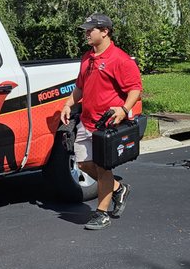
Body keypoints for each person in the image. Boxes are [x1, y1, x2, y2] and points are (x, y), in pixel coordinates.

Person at [61, 13, 142, 230]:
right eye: (86, 30)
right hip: (86, 122)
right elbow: (80, 86)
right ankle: (118, 188)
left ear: (105, 31)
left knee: (102, 167)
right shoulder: (87, 57)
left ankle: (101, 213)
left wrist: (124, 110)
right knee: (83, 164)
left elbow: (135, 89)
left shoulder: (120, 59)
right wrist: (68, 104)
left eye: (91, 30)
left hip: (107, 125)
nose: (87, 34)